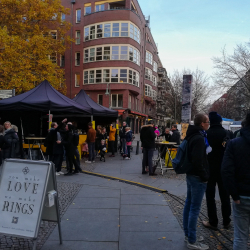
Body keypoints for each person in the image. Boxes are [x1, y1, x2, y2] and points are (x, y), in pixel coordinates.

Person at [221, 112, 250, 250]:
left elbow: (226, 171)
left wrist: (234, 194)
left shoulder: (234, 144)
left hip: (242, 196)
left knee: (240, 237)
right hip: (242, 194)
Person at [183, 114, 210, 250]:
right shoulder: (199, 138)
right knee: (194, 208)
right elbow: (198, 160)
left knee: (189, 204)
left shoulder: (192, 135)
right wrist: (205, 176)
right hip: (197, 177)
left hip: (190, 175)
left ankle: (188, 234)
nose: (208, 124)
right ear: (202, 124)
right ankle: (192, 240)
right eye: (207, 122)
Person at [202, 112, 231, 230]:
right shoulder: (226, 133)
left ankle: (213, 221)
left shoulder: (206, 134)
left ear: (210, 122)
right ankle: (226, 221)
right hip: (223, 169)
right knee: (225, 195)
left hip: (209, 169)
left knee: (210, 196)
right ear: (219, 122)